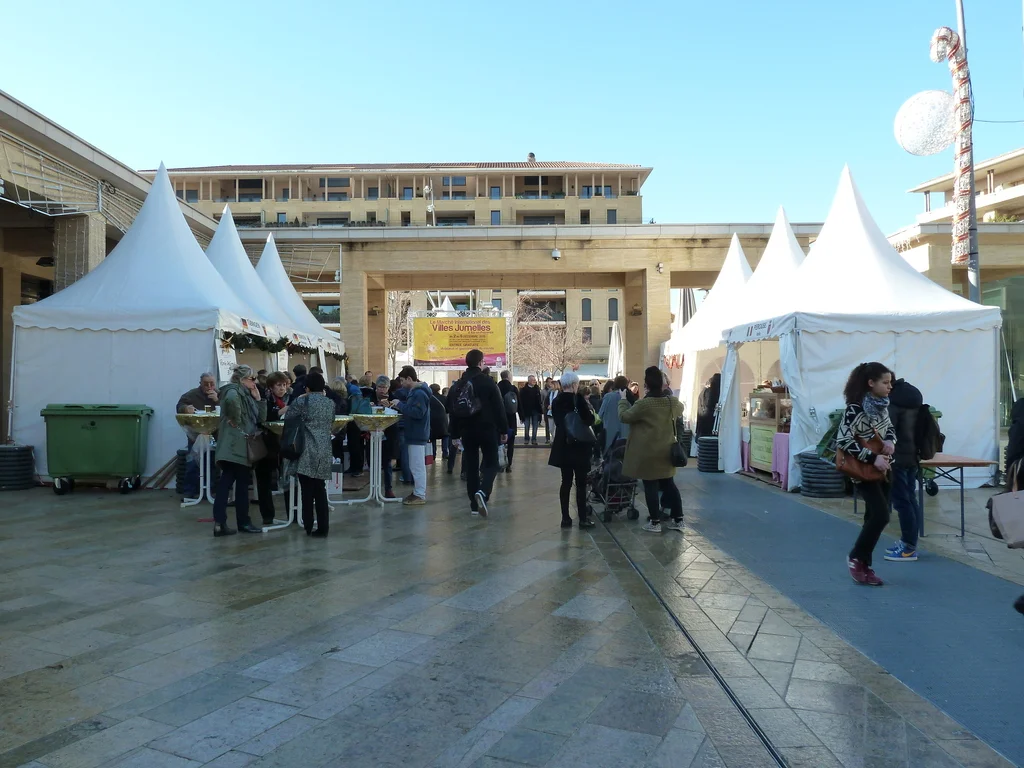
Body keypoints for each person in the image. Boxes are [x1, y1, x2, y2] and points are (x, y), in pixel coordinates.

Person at [837, 362, 896, 587]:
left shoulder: (882, 406)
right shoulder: (855, 409)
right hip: (863, 470)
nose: (890, 386)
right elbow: (843, 439)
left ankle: (865, 565)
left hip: (884, 468)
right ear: (871, 383)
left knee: (873, 517)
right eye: (885, 382)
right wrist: (873, 458)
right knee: (881, 516)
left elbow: (888, 428)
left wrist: (890, 441)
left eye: (890, 382)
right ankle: (855, 557)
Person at [618, 366, 685, 533]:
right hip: (667, 451)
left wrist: (622, 400)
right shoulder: (672, 402)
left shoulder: (644, 404)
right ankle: (679, 519)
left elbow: (624, 417)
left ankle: (655, 522)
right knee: (670, 485)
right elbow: (681, 409)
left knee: (651, 486)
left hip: (648, 453)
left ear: (646, 384)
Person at [448, 349, 508, 516]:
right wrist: (504, 429)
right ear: (481, 363)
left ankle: (474, 506)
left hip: (466, 430)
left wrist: (453, 434)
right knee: (492, 463)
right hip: (487, 429)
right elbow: (499, 407)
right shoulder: (488, 382)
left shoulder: (458, 384)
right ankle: (483, 492)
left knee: (471, 466)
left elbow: (453, 411)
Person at [211, 365, 266, 537]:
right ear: (242, 379)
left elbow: (260, 419)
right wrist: (237, 418)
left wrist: (258, 399)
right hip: (236, 446)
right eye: (252, 379)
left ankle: (221, 523)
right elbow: (231, 401)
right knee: (240, 484)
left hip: (235, 446)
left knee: (228, 483)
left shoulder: (247, 394)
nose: (254, 382)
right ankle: (242, 522)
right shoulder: (234, 390)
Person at [285, 371, 336, 537]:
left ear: (306, 387)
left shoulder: (302, 401)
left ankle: (307, 524)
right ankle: (323, 527)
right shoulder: (330, 403)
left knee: (306, 489)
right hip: (324, 448)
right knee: (320, 489)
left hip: (306, 447)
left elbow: (289, 419)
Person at [548, 372, 597, 529]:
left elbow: (558, 421)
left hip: (564, 444)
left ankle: (565, 518)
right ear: (575, 384)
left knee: (566, 482)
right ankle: (582, 518)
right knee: (581, 483)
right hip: (579, 445)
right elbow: (589, 419)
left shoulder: (556, 401)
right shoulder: (578, 399)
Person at [884, 376, 924, 562]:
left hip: (897, 457)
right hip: (912, 456)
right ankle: (910, 542)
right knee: (910, 499)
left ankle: (908, 547)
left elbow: (887, 431)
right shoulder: (912, 397)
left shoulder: (893, 403)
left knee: (901, 502)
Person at [391, 366, 431, 505]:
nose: (401, 384)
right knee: (415, 465)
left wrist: (400, 405)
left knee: (417, 465)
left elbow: (418, 413)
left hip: (417, 433)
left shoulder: (419, 393)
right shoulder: (416, 392)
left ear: (409, 378)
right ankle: (417, 492)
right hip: (415, 432)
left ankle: (420, 494)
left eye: (402, 381)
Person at [255, 372, 290, 526]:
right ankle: (267, 515)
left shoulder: (289, 399)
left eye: (284, 385)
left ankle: (292, 513)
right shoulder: (265, 400)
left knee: (289, 479)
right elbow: (263, 418)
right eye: (279, 385)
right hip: (266, 446)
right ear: (271, 386)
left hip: (284, 446)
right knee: (265, 482)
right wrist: (281, 412)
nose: (282, 388)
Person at [374, 375, 398, 498]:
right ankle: (374, 487)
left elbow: (398, 415)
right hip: (372, 434)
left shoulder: (394, 399)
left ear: (388, 388)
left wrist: (390, 407)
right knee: (373, 461)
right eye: (380, 387)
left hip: (389, 434)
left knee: (387, 462)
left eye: (384, 387)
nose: (382, 390)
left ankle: (388, 489)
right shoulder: (369, 397)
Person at [598, 375, 631, 452]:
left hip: (610, 432)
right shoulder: (629, 398)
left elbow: (600, 414)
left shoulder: (608, 396)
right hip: (626, 432)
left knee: (610, 457)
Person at [498, 370, 518, 472]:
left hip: (499, 418)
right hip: (511, 418)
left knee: (499, 442)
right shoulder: (513, 388)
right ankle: (509, 464)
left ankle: (500, 463)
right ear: (508, 377)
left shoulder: (497, 387)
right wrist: (522, 415)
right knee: (511, 443)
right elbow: (519, 404)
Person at [519, 375, 544, 446]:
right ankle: (526, 439)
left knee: (535, 425)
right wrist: (521, 413)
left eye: (534, 380)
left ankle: (534, 439)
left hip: (535, 410)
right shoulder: (523, 390)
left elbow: (539, 401)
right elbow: (521, 402)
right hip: (526, 411)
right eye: (533, 380)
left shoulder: (537, 389)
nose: (534, 381)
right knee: (526, 426)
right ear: (529, 381)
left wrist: (540, 411)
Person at [694, 373, 721, 440]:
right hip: (711, 428)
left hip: (702, 427)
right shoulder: (713, 392)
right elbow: (710, 407)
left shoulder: (703, 392)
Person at [428, 383, 449, 461]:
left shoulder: (429, 398)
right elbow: (448, 409)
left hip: (432, 419)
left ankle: (433, 454)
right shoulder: (444, 398)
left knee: (433, 437)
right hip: (442, 419)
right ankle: (445, 453)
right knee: (445, 435)